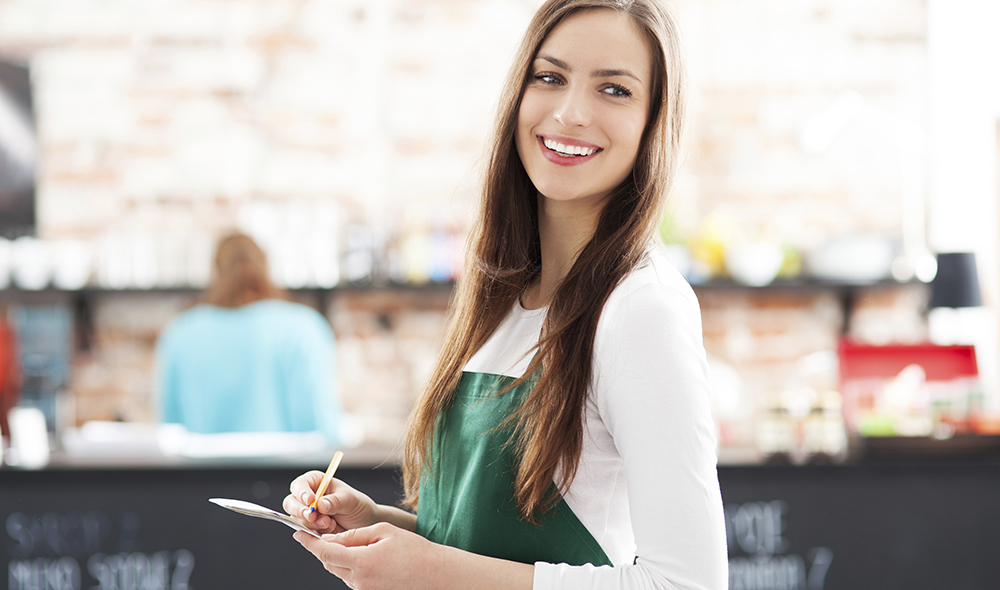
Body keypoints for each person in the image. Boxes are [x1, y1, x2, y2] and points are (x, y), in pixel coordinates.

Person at [282, 0, 727, 588]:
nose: (570, 113)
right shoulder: (501, 295)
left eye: (614, 90)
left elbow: (689, 584)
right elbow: (487, 544)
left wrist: (433, 571)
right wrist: (383, 529)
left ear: (654, 120)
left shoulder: (640, 308)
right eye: (550, 77)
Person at [156, 233, 342, 444]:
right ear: (265, 267)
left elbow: (170, 431)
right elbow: (323, 429)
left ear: (215, 272)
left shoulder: (181, 333)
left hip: (199, 476)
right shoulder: (304, 327)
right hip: (288, 475)